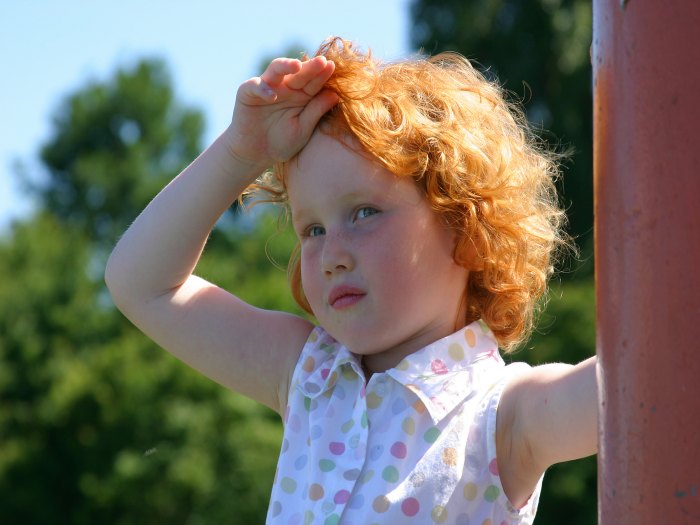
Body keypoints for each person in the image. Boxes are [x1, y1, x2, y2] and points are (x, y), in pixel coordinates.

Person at [105, 37, 597, 524]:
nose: (331, 256)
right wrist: (242, 152)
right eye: (312, 229)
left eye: (364, 212)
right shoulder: (309, 376)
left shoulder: (504, 413)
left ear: (465, 230)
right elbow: (141, 283)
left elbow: (641, 378)